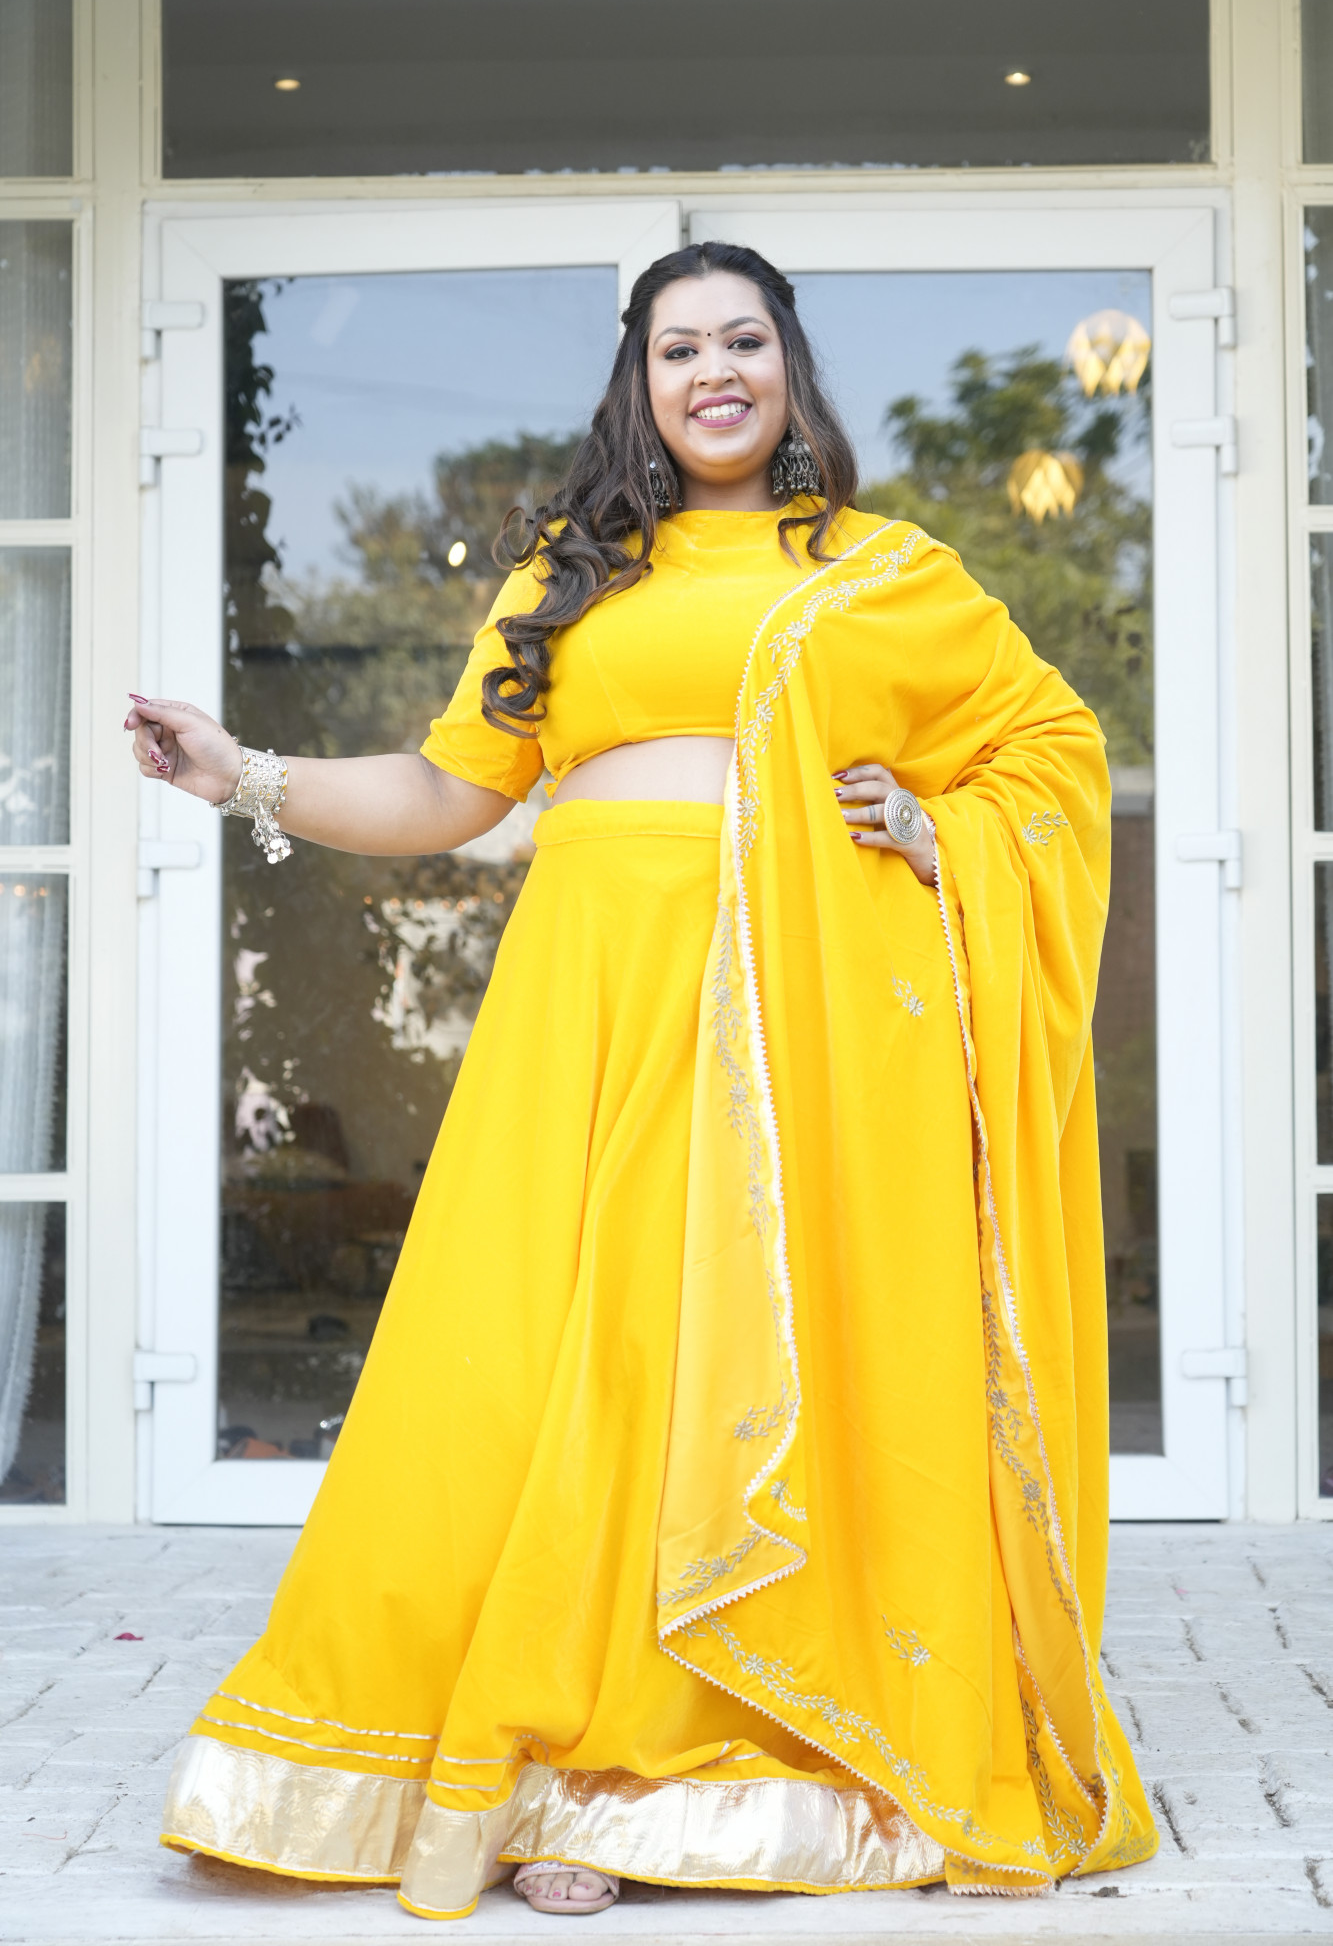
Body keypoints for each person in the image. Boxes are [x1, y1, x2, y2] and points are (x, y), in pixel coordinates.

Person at [128, 241, 1156, 1920]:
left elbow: (1047, 753)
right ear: (640, 382)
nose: (713, 372)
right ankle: (538, 1763)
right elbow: (448, 793)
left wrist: (937, 828)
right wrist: (242, 774)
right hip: (590, 1012)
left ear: (788, 364)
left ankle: (665, 1786)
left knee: (727, 1372)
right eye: (678, 348)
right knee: (562, 1366)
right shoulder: (566, 574)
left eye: (742, 339)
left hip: (796, 1023)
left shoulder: (889, 573)